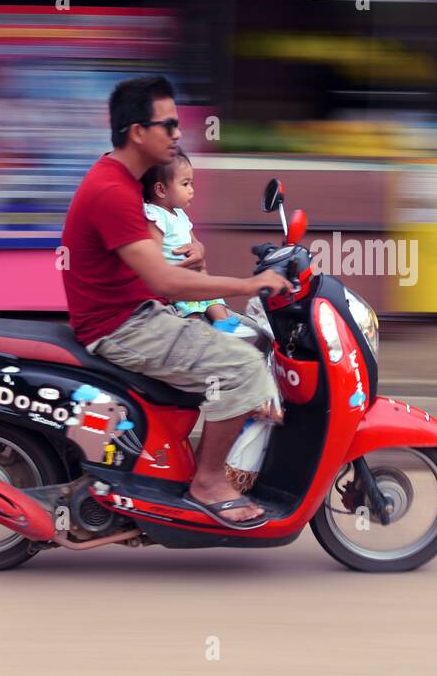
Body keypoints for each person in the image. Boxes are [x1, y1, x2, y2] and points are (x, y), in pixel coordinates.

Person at [60, 76, 293, 528]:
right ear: (137, 132)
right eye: (167, 125)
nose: (178, 133)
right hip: (123, 327)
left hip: (136, 314)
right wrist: (250, 285)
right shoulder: (112, 192)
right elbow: (164, 281)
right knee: (242, 365)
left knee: (232, 346)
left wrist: (202, 259)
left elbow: (159, 267)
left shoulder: (124, 181)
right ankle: (208, 482)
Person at [141, 148, 239, 332]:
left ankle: (223, 321)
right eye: (185, 184)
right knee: (190, 311)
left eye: (191, 184)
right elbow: (153, 255)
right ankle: (197, 330)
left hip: (194, 276)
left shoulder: (180, 214)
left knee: (213, 295)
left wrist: (199, 250)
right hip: (177, 281)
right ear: (161, 189)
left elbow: (195, 243)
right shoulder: (155, 216)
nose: (191, 190)